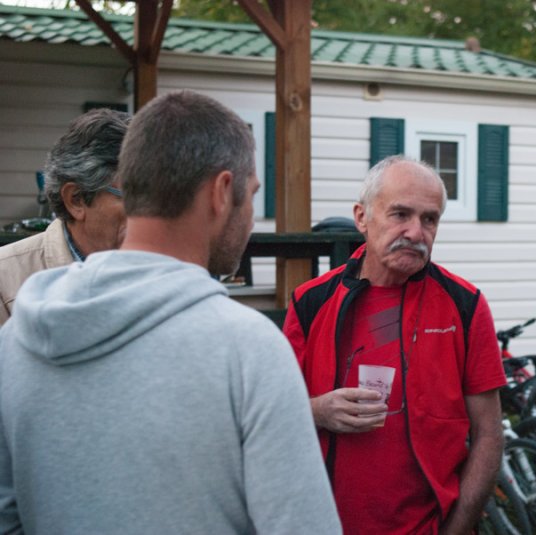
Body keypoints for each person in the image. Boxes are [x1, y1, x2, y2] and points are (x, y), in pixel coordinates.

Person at [0, 90, 341, 534]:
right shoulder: (248, 349)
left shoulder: (16, 340)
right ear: (221, 192)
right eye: (251, 195)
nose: (251, 216)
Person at [282, 155, 506, 534]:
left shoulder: (465, 305)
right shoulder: (311, 302)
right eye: (400, 214)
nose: (417, 233)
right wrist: (317, 410)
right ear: (362, 217)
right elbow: (270, 416)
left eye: (429, 219)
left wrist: (456, 529)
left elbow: (489, 433)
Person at [0, 108, 130, 325]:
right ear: (76, 199)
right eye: (134, 195)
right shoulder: (5, 280)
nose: (152, 209)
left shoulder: (167, 270)